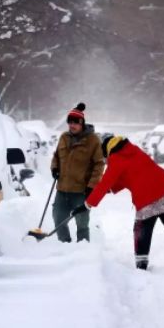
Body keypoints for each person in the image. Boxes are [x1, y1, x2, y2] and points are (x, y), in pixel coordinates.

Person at [72, 135, 164, 270]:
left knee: (141, 232)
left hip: (148, 200)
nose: (106, 160)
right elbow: (128, 176)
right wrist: (104, 191)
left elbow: (105, 183)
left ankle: (141, 265)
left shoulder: (116, 159)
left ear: (107, 151)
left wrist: (87, 204)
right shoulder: (133, 149)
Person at [50, 103, 104, 243]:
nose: (72, 125)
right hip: (62, 189)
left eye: (75, 123)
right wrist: (55, 168)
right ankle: (65, 246)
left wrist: (91, 186)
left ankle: (83, 253)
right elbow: (56, 156)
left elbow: (99, 164)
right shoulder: (63, 137)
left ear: (82, 123)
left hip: (81, 191)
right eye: (69, 122)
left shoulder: (93, 141)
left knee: (82, 224)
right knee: (58, 219)